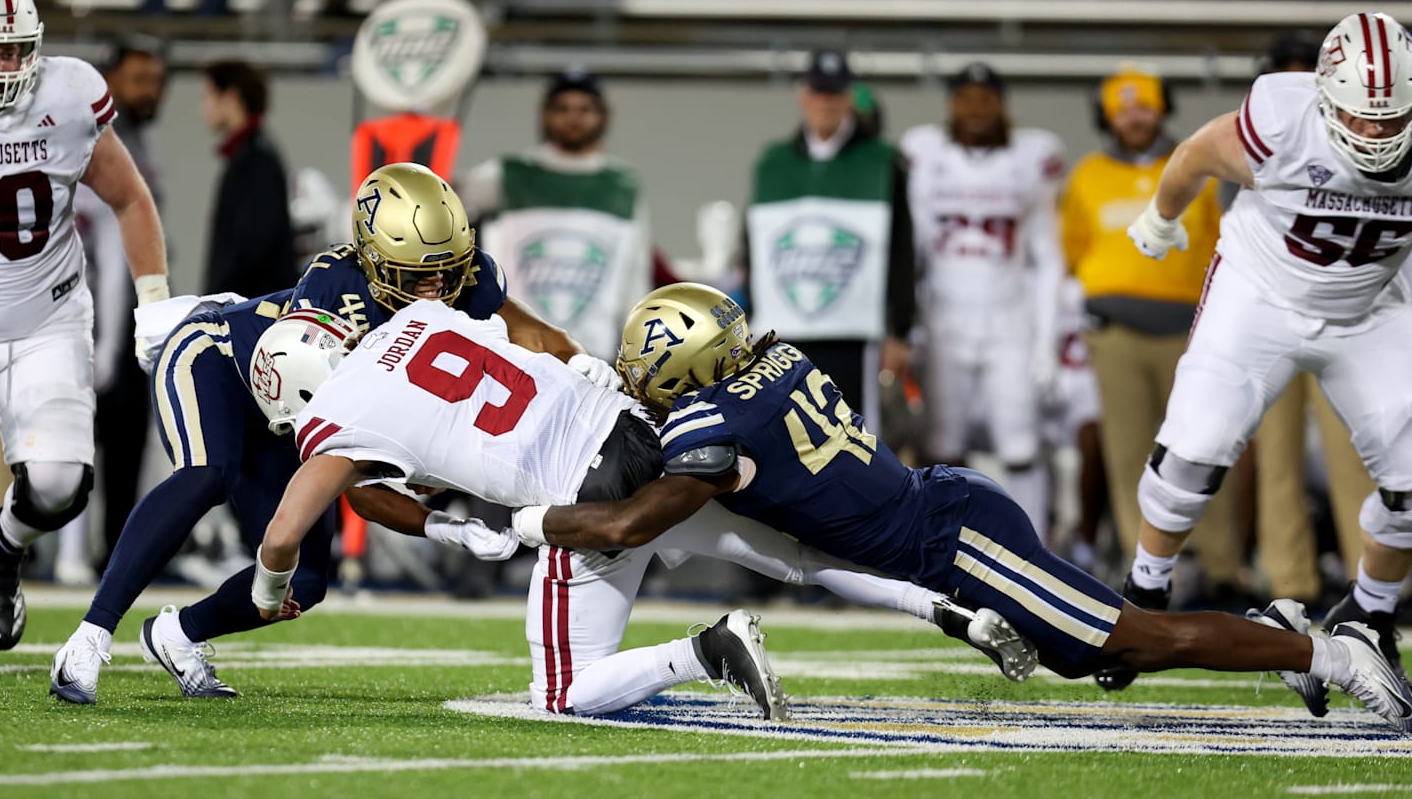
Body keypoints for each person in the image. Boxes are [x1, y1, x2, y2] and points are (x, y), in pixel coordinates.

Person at [508, 282, 1412, 731]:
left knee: (1134, 642)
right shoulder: (772, 364)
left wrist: (522, 521)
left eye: (654, 381)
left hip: (958, 542)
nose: (648, 397)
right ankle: (1278, 624)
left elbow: (632, 525)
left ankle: (1326, 647)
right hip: (946, 515)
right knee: (1097, 657)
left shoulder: (711, 427)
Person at [250, 299, 1035, 719]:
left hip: (582, 495)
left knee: (562, 693)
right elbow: (517, 337)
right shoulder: (417, 321)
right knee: (790, 555)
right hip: (636, 430)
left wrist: (267, 592)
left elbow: (287, 531)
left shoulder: (333, 423)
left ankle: (706, 653)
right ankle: (952, 613)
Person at [48, 163, 583, 703]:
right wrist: (440, 523)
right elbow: (349, 477)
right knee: (208, 475)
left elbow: (539, 336)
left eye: (450, 270)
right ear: (372, 262)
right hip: (223, 363)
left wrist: (588, 374)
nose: (438, 288)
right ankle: (87, 639)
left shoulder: (466, 282)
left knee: (304, 583)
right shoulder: (334, 298)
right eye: (419, 275)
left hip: (294, 418)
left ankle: (177, 635)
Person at [1115, 12, 1412, 698]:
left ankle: (1369, 614)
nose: (1372, 132)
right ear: (1324, 95)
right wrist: (1162, 218)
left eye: (1389, 119)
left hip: (1367, 309)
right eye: (1357, 117)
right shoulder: (1283, 115)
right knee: (1195, 446)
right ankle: (1142, 596)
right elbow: (1194, 154)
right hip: (1260, 294)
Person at [0, 0, 170, 651]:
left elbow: (130, 199)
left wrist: (156, 303)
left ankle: (1, 553)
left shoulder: (67, 94)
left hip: (43, 321)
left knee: (59, 485)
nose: (1, 68)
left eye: (13, 52)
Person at [1060, 64, 1245, 623]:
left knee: (1204, 447)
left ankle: (1223, 569)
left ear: (1163, 109)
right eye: (1123, 106)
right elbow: (1073, 249)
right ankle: (1146, 576)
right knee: (1128, 456)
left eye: (1144, 105)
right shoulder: (1087, 175)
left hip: (1192, 329)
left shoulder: (1199, 163)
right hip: (1114, 334)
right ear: (1106, 114)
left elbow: (1227, 240)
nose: (1135, 116)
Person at [901, 62, 1065, 536]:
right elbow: (912, 253)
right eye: (965, 98)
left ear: (1002, 104)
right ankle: (950, 546)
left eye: (985, 99)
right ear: (951, 105)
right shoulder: (923, 152)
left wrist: (1046, 341)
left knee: (1020, 441)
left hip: (1009, 318)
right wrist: (907, 322)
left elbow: (1047, 257)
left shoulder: (1031, 157)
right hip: (943, 318)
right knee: (942, 441)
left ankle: (1036, 553)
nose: (975, 109)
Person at [1242, 29, 1375, 605]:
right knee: (1277, 457)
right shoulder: (1253, 137)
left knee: (1358, 451)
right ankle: (1290, 583)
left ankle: (1369, 580)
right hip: (1274, 312)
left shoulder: (1370, 135)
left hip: (1346, 313)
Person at [743, 49, 915, 435]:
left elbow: (903, 250)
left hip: (854, 332)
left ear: (850, 96)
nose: (826, 102)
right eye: (819, 92)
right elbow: (755, 246)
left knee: (853, 437)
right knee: (782, 436)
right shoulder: (773, 162)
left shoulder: (882, 160)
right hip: (781, 332)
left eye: (835, 93)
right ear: (803, 94)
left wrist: (899, 330)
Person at [459, 68, 651, 363]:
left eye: (584, 109)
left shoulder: (623, 184)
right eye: (562, 108)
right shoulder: (509, 174)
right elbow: (447, 201)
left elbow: (635, 270)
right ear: (545, 113)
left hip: (593, 352)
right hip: (517, 346)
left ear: (603, 115)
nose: (573, 117)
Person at [75, 37, 169, 569]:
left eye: (156, 81)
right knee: (67, 451)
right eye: (139, 80)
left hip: (129, 315)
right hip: (78, 316)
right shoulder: (90, 139)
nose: (149, 92)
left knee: (129, 445)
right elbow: (107, 252)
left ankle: (116, 556)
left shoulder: (141, 143)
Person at [199, 60, 298, 299]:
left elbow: (251, 247)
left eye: (209, 95)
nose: (203, 107)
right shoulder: (250, 154)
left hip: (250, 311)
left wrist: (217, 304)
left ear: (231, 97)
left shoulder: (256, 159)